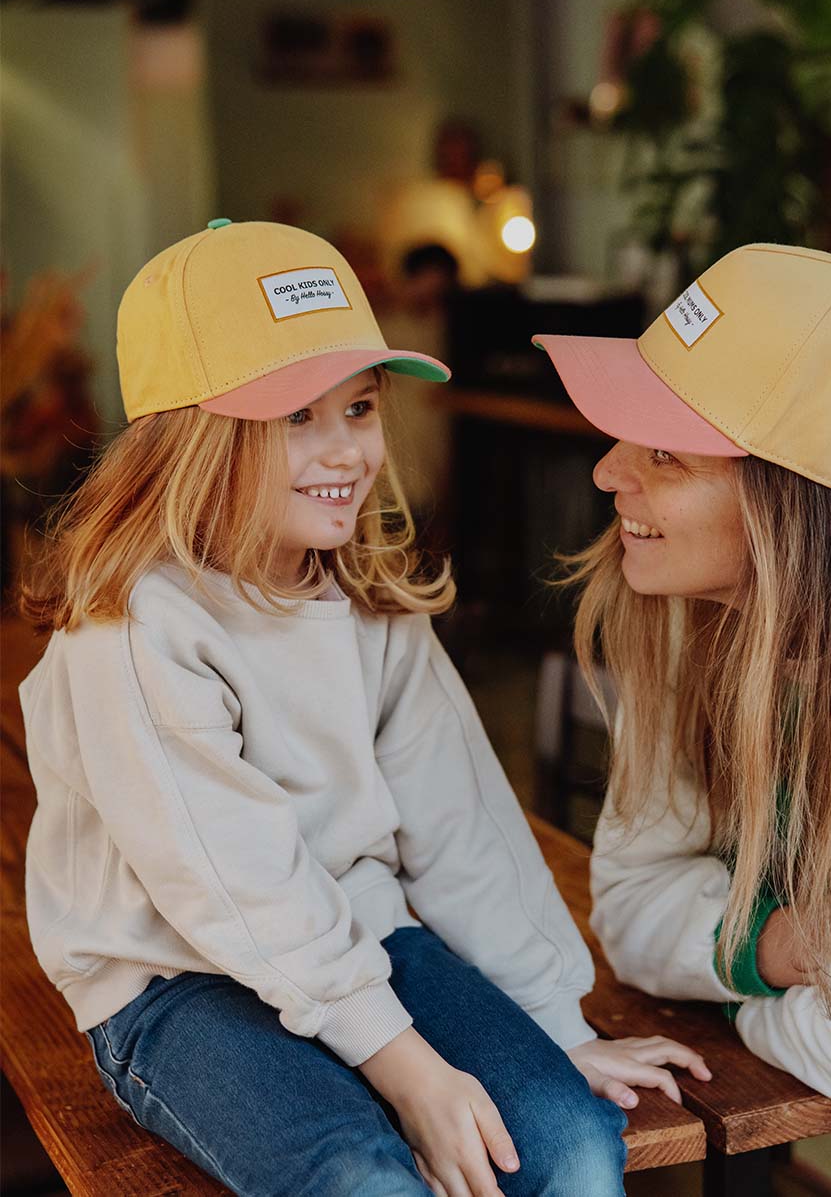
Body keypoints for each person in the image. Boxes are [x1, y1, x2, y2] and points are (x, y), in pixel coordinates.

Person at [17, 219, 712, 1197]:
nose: (344, 449)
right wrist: (410, 1070)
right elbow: (236, 885)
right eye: (296, 416)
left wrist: (553, 1026)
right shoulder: (134, 627)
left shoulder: (370, 601)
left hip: (365, 936)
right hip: (177, 984)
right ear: (191, 438)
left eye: (359, 406)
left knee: (572, 1142)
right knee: (363, 1176)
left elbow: (461, 824)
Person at [533, 245, 831, 1154]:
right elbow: (631, 907)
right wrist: (764, 947)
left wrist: (743, 1010)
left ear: (815, 501)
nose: (607, 472)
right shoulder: (703, 583)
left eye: (667, 452)